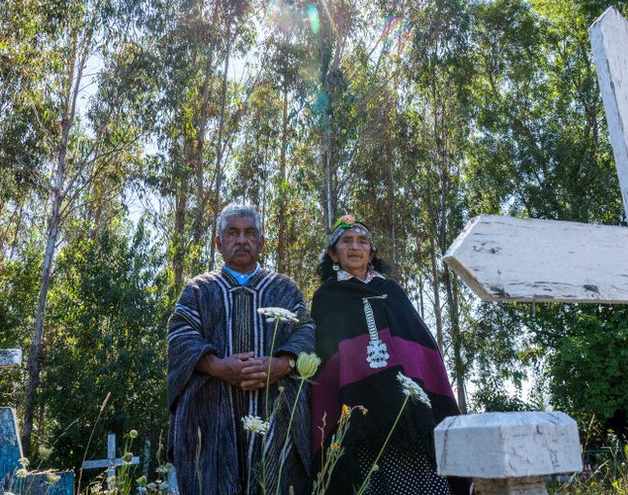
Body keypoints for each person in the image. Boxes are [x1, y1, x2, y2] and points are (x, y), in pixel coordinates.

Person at [310, 215, 467, 495]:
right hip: (362, 421)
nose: (355, 247)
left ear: (372, 253)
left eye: (362, 241)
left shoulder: (391, 291)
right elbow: (329, 360)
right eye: (346, 241)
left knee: (428, 483)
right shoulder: (327, 297)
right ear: (333, 253)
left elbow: (420, 349)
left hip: (414, 415)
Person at [167, 204, 315, 495]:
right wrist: (218, 367)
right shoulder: (198, 290)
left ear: (261, 243)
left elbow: (306, 330)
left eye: (250, 233)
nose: (242, 240)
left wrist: (282, 364)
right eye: (233, 233)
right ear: (219, 243)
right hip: (210, 420)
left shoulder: (284, 289)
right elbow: (180, 336)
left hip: (276, 419)